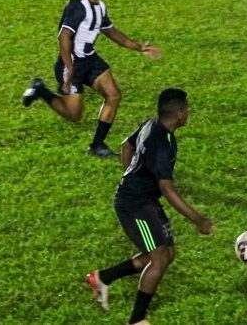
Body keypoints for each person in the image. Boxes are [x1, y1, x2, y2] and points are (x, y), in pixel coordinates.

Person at [85, 88, 213, 325]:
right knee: (159, 259)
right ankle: (137, 320)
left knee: (167, 254)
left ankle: (103, 277)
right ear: (180, 114)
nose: (188, 113)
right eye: (187, 109)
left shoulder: (150, 124)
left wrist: (130, 175)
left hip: (143, 199)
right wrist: (198, 220)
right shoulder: (165, 144)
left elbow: (126, 146)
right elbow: (168, 189)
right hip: (135, 204)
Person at [22, 0, 163, 158]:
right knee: (74, 115)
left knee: (113, 95)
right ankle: (41, 90)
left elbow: (112, 32)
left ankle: (97, 145)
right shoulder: (77, 6)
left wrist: (139, 47)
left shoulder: (100, 7)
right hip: (71, 64)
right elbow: (63, 37)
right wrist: (70, 69)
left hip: (90, 59)